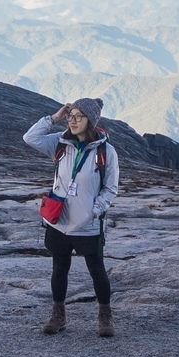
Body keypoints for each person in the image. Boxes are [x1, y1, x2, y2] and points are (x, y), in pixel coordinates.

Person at [23, 97, 120, 337]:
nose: (73, 120)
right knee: (59, 268)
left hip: (87, 224)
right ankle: (58, 315)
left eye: (79, 116)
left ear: (91, 121)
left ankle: (105, 316)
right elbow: (30, 138)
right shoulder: (60, 142)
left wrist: (94, 210)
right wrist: (53, 119)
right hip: (59, 222)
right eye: (71, 115)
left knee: (97, 269)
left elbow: (111, 188)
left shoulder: (106, 151)